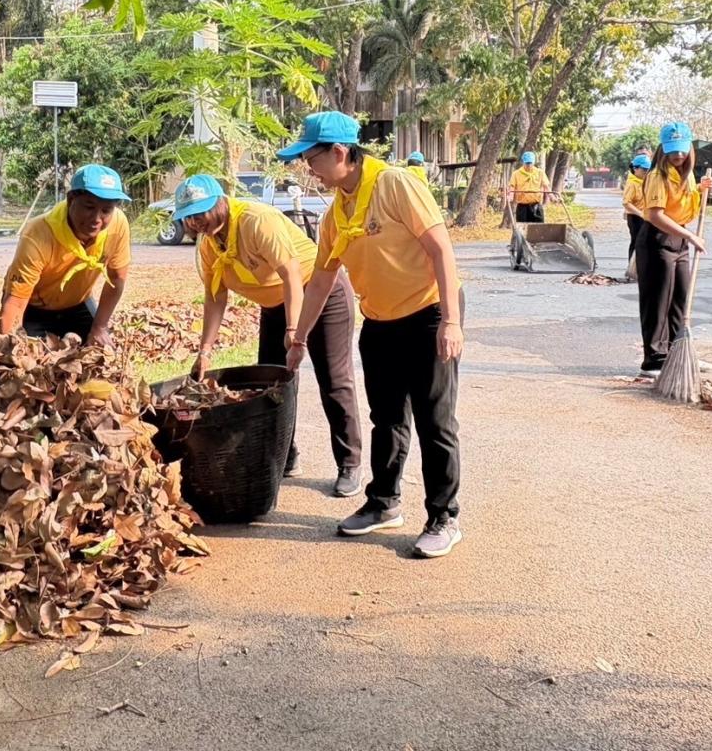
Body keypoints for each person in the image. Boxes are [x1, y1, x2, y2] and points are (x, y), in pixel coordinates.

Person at [279, 111, 465, 558]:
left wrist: (451, 321)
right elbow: (321, 281)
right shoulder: (336, 213)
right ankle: (383, 502)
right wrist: (299, 338)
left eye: (311, 158)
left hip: (428, 314)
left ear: (339, 152)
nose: (308, 168)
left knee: (435, 422)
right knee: (387, 419)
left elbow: (441, 249)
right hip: (380, 322)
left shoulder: (395, 185)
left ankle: (444, 516)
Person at [177, 174, 363, 495]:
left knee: (333, 378)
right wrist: (204, 351)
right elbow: (215, 297)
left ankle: (350, 462)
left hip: (320, 292)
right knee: (273, 382)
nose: (196, 222)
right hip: (275, 303)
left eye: (201, 212)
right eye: (189, 217)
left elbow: (291, 273)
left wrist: (294, 332)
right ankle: (285, 454)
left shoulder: (256, 221)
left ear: (220, 202)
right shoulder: (209, 245)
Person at [0, 165, 131, 346]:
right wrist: (9, 349)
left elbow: (116, 278)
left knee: (99, 352)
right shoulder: (38, 233)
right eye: (89, 207)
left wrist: (99, 327)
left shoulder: (118, 225)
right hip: (34, 308)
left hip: (78, 303)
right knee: (30, 356)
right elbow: (16, 302)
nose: (96, 218)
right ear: (71, 200)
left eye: (106, 211)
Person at [635, 122, 712, 377]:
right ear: (663, 149)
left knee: (680, 297)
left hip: (678, 237)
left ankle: (678, 351)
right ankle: (654, 360)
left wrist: (703, 189)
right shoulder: (657, 176)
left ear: (690, 148)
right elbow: (655, 215)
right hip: (657, 239)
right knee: (658, 301)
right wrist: (690, 236)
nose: (678, 155)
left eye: (682, 149)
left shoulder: (687, 174)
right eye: (673, 150)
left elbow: (684, 204)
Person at [622, 153, 651, 279]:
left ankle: (642, 269)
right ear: (635, 168)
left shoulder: (645, 181)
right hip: (635, 218)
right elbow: (626, 203)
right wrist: (640, 214)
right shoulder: (632, 183)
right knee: (636, 242)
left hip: (645, 216)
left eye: (648, 169)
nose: (646, 172)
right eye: (644, 169)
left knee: (645, 243)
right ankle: (633, 270)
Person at [507, 151, 551, 223]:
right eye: (527, 163)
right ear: (523, 162)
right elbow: (512, 187)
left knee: (539, 227)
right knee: (522, 226)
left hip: (536, 205)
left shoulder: (540, 173)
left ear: (533, 162)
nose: (529, 165)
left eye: (530, 163)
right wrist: (510, 197)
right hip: (522, 207)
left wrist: (552, 196)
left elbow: (546, 186)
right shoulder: (516, 174)